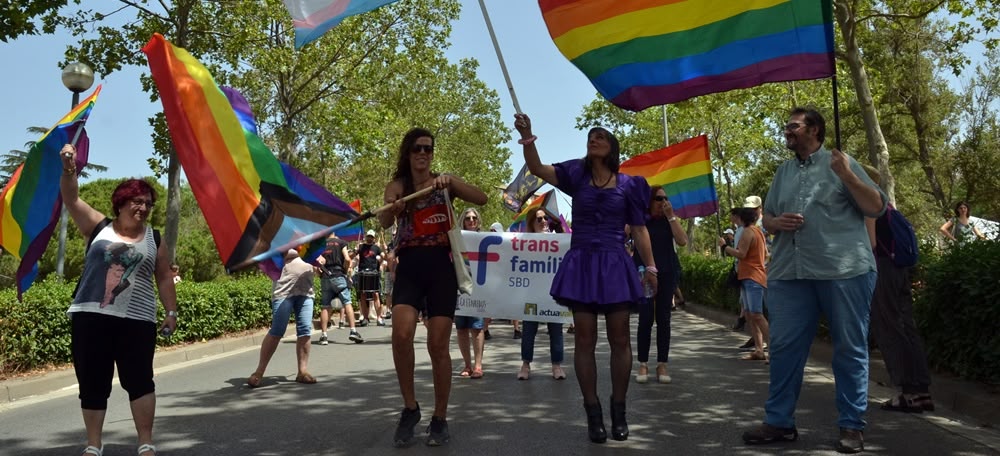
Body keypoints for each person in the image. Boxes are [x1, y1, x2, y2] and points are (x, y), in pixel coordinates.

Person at [741, 108, 886, 454]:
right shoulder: (783, 171)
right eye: (787, 125)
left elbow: (877, 207)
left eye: (793, 126)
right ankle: (779, 422)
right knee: (785, 349)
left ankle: (852, 427)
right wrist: (776, 224)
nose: (787, 131)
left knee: (849, 350)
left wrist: (848, 176)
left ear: (815, 130)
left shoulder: (841, 163)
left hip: (844, 272)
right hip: (791, 274)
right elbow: (769, 218)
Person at [515, 113, 657, 444]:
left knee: (620, 339)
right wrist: (528, 134)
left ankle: (618, 410)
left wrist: (650, 268)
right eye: (590, 137)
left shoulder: (630, 186)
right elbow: (536, 169)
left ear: (612, 148)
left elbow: (639, 229)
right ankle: (593, 412)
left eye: (600, 137)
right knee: (584, 340)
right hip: (581, 263)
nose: (593, 139)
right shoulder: (576, 175)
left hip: (614, 264)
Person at [60, 144, 178, 456]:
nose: (143, 207)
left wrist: (171, 311)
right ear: (122, 202)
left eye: (148, 203)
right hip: (91, 316)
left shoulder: (154, 238)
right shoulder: (98, 227)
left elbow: (164, 275)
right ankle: (94, 445)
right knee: (93, 383)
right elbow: (71, 199)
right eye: (137, 201)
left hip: (137, 321)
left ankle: (145, 443)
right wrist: (70, 170)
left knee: (140, 381)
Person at [379, 127, 487, 447]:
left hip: (442, 267)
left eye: (428, 148)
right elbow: (384, 220)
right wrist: (393, 208)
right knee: (401, 334)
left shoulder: (444, 183)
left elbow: (481, 198)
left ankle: (439, 417)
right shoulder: (398, 186)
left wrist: (452, 181)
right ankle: (410, 408)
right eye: (417, 149)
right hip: (410, 266)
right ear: (408, 153)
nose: (423, 154)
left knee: (438, 345)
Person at [864, 169, 935, 414]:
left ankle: (907, 394)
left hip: (882, 267)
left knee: (888, 327)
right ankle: (921, 391)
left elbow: (870, 242)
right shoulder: (886, 201)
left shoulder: (868, 200)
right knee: (907, 326)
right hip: (899, 268)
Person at [634, 187, 688, 385]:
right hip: (644, 274)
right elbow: (623, 234)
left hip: (667, 273)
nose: (663, 202)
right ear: (649, 201)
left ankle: (662, 364)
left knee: (664, 319)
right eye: (658, 198)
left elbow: (682, 241)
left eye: (665, 198)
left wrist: (671, 216)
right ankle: (642, 363)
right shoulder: (640, 220)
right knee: (646, 318)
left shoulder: (669, 220)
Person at [247, 249, 318, 388]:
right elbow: (268, 259)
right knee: (277, 331)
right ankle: (259, 371)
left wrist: (318, 259)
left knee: (305, 330)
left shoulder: (310, 237)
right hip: (283, 290)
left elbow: (314, 255)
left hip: (306, 290)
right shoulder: (280, 238)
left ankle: (302, 372)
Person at [517, 209, 567, 381]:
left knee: (556, 330)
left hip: (553, 294)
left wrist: (559, 226)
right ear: (532, 223)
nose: (544, 221)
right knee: (529, 330)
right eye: (539, 219)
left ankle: (557, 365)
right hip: (532, 294)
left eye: (546, 218)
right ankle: (525, 364)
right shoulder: (525, 242)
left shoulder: (558, 240)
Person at [719, 207, 769, 362]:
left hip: (752, 277)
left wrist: (724, 246)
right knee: (749, 314)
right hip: (749, 276)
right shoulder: (758, 231)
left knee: (756, 314)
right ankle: (759, 350)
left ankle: (774, 350)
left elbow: (741, 254)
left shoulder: (747, 232)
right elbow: (766, 254)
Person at [455, 208, 487, 379]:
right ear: (463, 220)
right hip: (459, 289)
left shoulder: (485, 239)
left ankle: (478, 365)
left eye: (474, 217)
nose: (471, 220)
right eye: (468, 218)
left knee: (477, 327)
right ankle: (467, 365)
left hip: (478, 290)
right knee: (461, 328)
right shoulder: (456, 239)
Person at [317, 235, 363, 345]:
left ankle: (324, 335)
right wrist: (345, 271)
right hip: (338, 275)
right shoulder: (341, 242)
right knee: (347, 303)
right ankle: (353, 331)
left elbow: (317, 263)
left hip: (325, 276)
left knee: (325, 306)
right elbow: (347, 259)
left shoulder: (320, 245)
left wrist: (320, 275)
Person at [355, 230, 384, 326]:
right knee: (363, 294)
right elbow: (352, 256)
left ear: (374, 238)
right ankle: (365, 318)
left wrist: (382, 257)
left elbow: (383, 257)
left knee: (375, 294)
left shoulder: (376, 248)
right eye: (368, 236)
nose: (369, 238)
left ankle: (379, 318)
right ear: (366, 237)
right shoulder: (361, 247)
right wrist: (355, 250)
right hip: (363, 272)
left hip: (373, 273)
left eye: (371, 236)